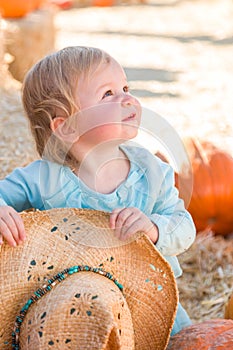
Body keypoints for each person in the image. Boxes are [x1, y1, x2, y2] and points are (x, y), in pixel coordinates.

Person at [0, 46, 196, 335]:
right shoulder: (44, 178)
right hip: (76, 311)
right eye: (108, 94)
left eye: (125, 87)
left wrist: (153, 228)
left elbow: (184, 227)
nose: (128, 98)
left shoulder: (152, 172)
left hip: (148, 305)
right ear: (66, 127)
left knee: (189, 341)